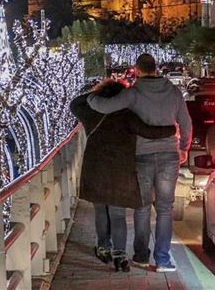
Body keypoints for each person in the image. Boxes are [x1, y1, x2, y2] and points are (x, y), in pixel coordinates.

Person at [87, 53, 192, 272]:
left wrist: (91, 97)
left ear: (137, 70)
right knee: (165, 209)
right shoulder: (173, 92)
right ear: (156, 68)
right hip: (168, 155)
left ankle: (141, 256)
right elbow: (186, 122)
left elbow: (106, 107)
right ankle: (163, 259)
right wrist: (183, 148)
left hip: (142, 155)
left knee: (142, 207)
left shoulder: (133, 93)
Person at [70, 79, 176, 272]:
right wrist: (172, 129)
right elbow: (149, 132)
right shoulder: (128, 115)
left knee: (101, 211)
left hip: (95, 170)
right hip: (120, 172)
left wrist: (96, 96)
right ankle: (120, 254)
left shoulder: (91, 113)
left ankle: (103, 247)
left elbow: (75, 103)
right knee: (117, 215)